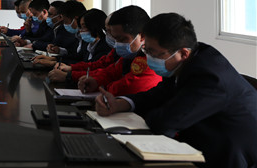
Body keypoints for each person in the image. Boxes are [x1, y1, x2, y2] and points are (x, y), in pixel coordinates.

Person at [95, 13, 257, 168]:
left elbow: (165, 122)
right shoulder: (187, 58)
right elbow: (159, 93)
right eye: (146, 50)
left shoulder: (209, 78)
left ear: (183, 53)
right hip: (202, 142)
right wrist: (122, 103)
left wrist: (150, 113)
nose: (148, 57)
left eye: (153, 53)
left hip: (228, 154)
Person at [76, 5, 161, 96]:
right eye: (115, 39)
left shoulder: (153, 59)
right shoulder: (131, 54)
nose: (117, 44)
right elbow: (111, 72)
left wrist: (102, 87)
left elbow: (128, 87)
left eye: (122, 39)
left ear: (142, 36)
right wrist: (96, 81)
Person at [48, 13, 118, 82]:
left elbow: (102, 72)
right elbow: (93, 63)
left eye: (84, 27)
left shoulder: (106, 47)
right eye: (107, 30)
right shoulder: (88, 44)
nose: (80, 30)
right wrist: (70, 67)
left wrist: (68, 75)